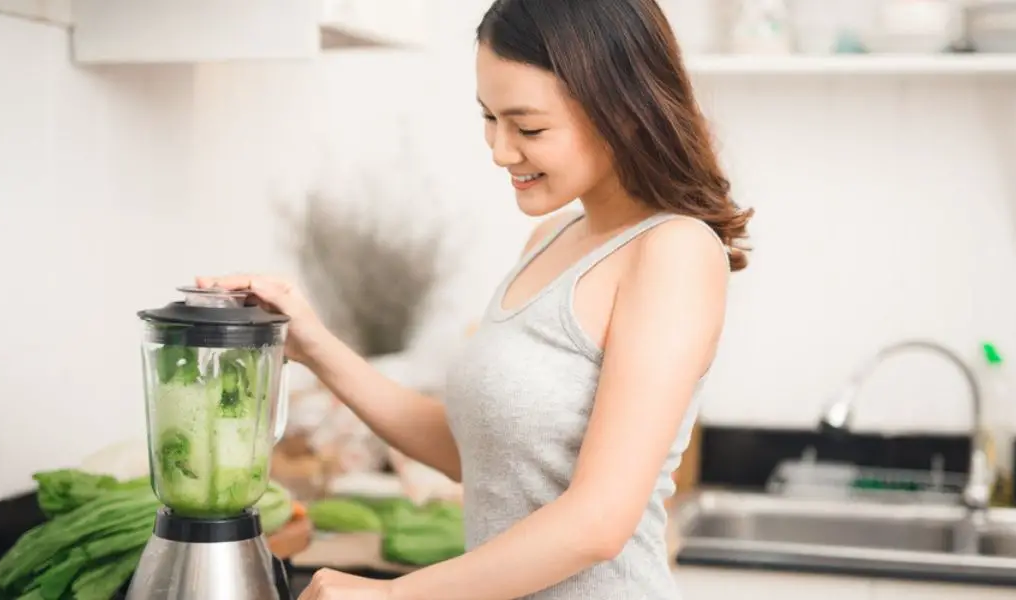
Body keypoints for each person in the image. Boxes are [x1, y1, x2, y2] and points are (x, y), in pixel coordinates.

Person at [199, 0, 753, 597]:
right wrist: (315, 345)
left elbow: (599, 521)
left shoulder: (674, 250)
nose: (500, 150)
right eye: (489, 118)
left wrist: (391, 595)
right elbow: (482, 458)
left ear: (620, 112)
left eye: (529, 127)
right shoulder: (550, 240)